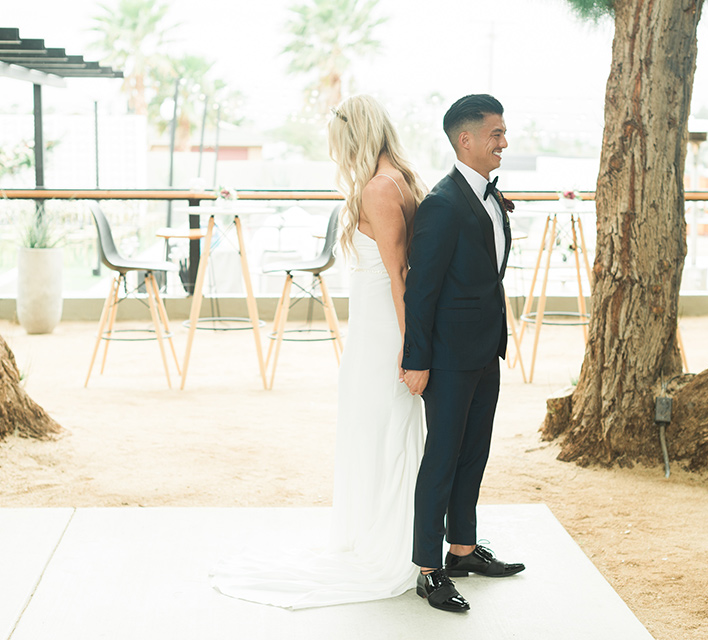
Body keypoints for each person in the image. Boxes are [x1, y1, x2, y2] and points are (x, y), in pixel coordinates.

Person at [210, 94, 428, 608]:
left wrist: (411, 348)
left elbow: (399, 276)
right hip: (380, 332)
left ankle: (383, 544)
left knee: (377, 435)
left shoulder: (378, 188)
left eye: (339, 147)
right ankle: (396, 537)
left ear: (356, 139)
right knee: (384, 437)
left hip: (382, 338)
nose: (338, 158)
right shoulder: (404, 180)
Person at [401, 94, 525, 613]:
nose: (503, 141)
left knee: (474, 455)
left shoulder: (486, 197)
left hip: (483, 351)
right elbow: (421, 288)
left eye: (503, 132)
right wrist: (416, 359)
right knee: (441, 461)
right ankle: (429, 570)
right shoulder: (442, 204)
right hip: (447, 359)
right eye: (495, 133)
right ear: (465, 140)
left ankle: (464, 550)